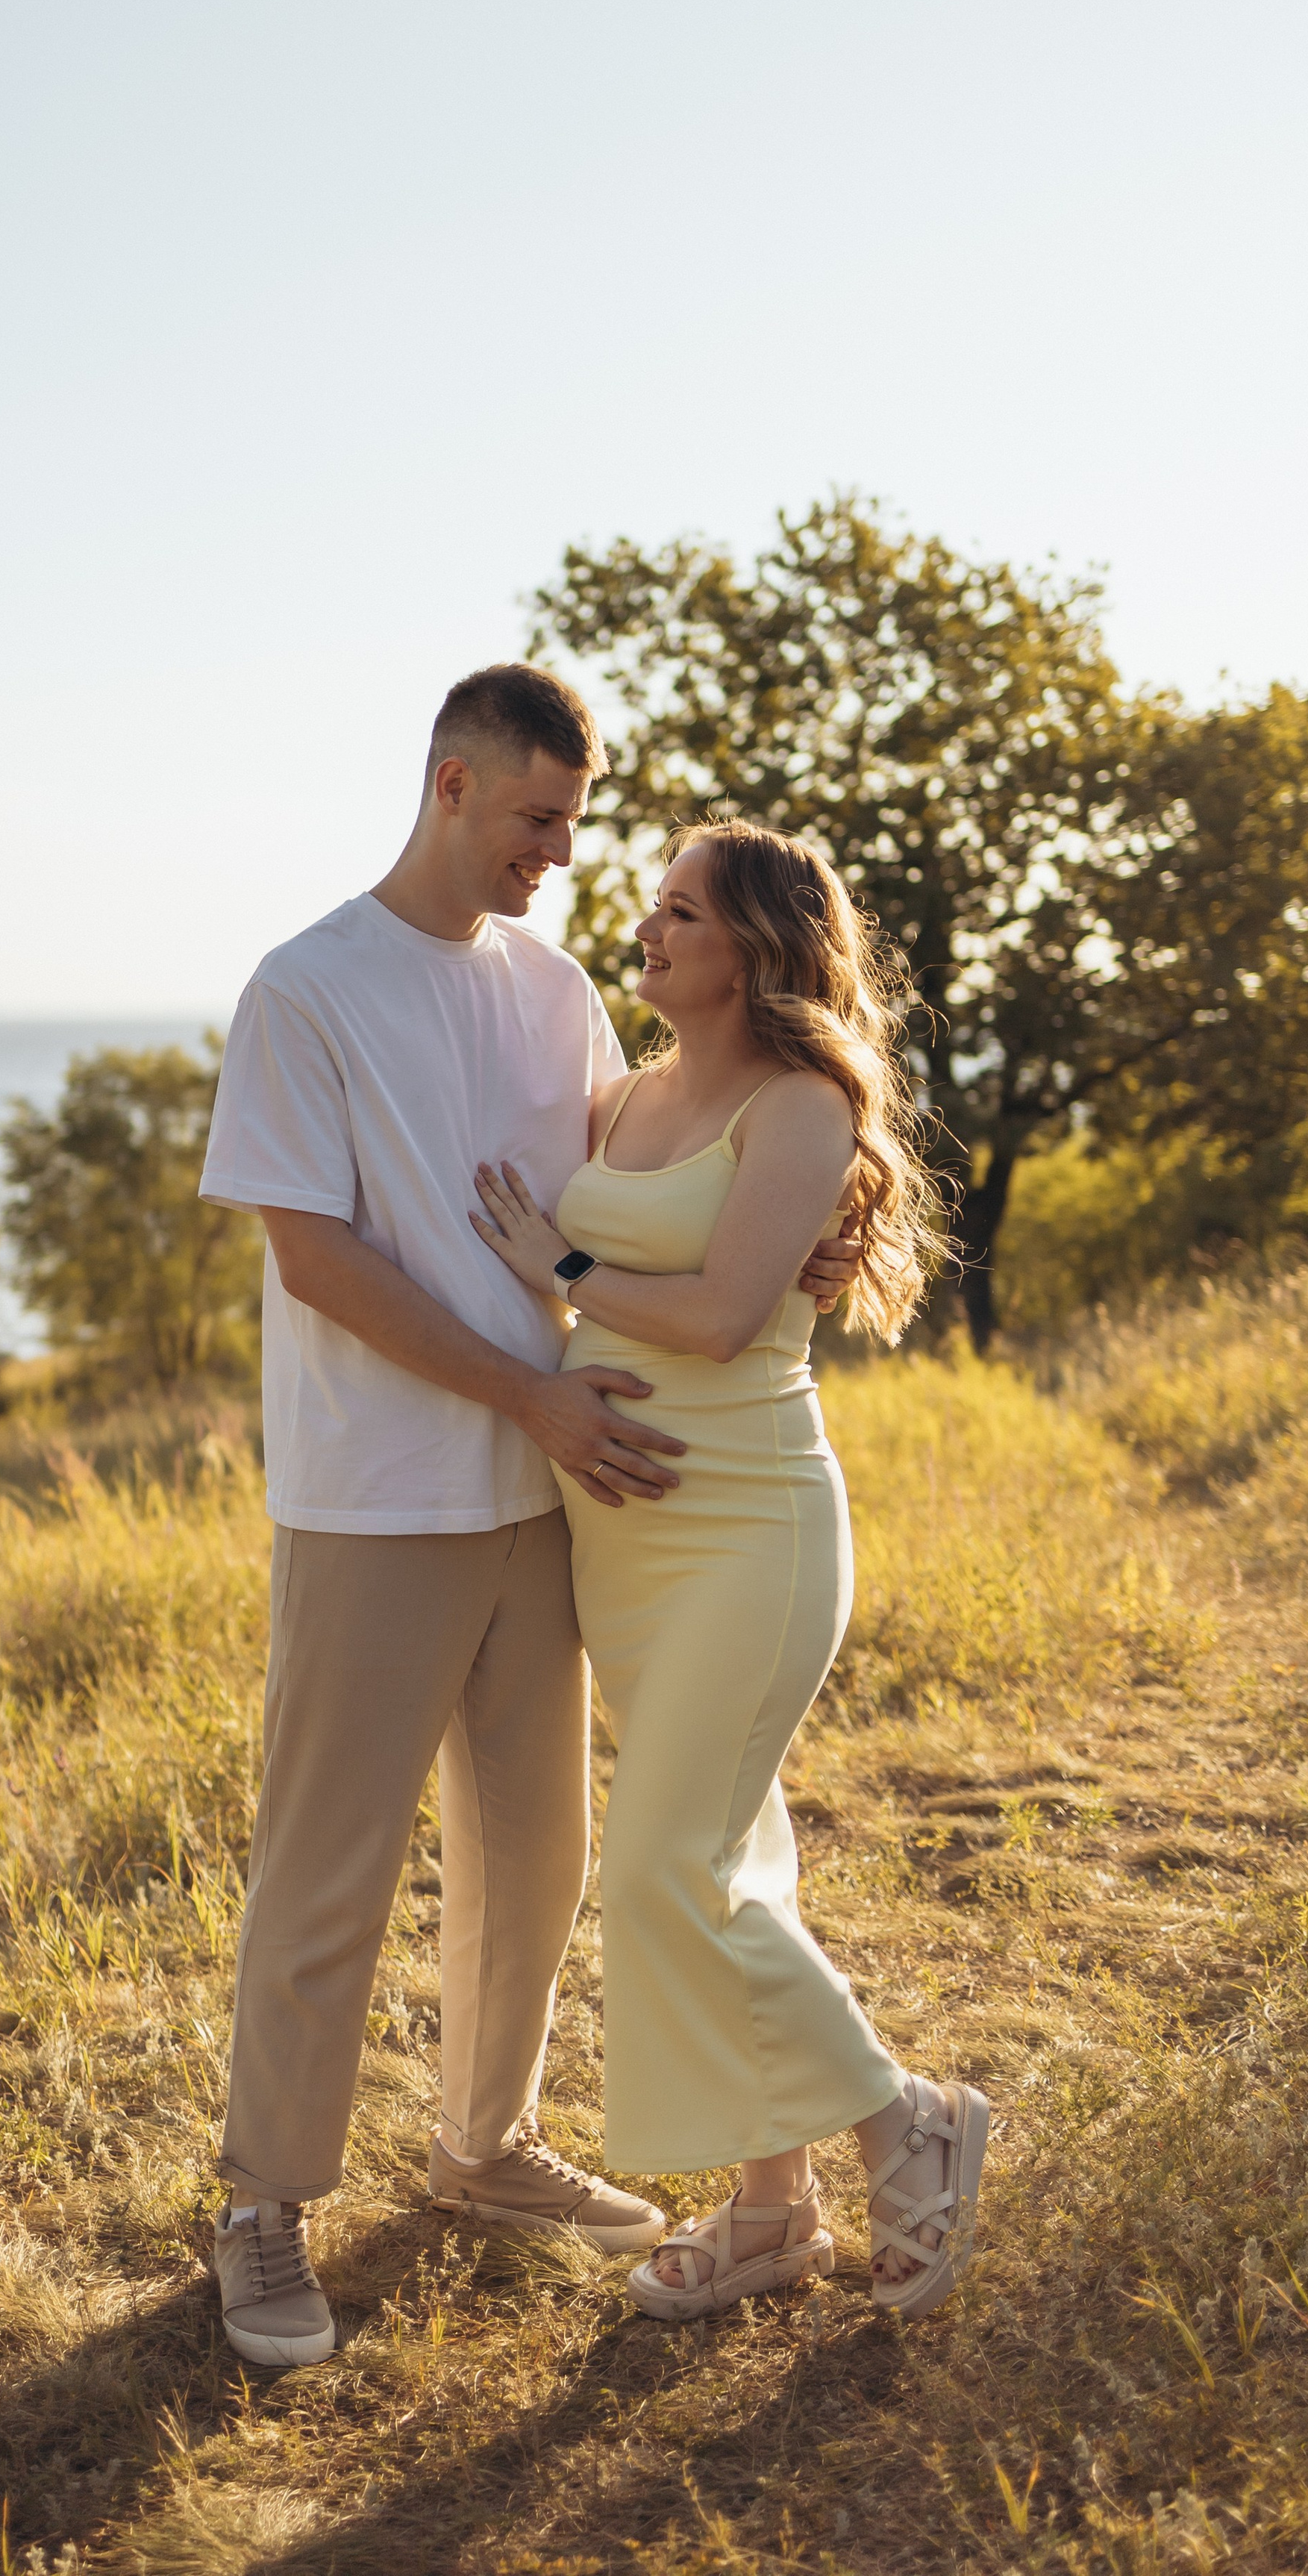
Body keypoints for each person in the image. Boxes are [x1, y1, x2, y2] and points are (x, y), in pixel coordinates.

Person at [196, 669, 863, 2366]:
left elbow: (638, 1194)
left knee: (538, 1857)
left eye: (577, 824)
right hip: (380, 1499)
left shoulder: (558, 992)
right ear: (448, 785)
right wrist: (533, 1392)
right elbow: (315, 1256)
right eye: (535, 821)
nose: (560, 855)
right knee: (329, 1871)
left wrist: (804, 1232)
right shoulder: (308, 990)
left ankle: (482, 2149)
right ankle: (263, 2210)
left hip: (555, 1498)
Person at [471, 818, 989, 2324]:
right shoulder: (619, 1098)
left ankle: (907, 2121)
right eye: (652, 904)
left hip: (745, 1528)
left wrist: (550, 1272)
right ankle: (770, 2212)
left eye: (681, 911)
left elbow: (708, 1315)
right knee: (726, 1859)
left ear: (755, 948)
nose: (647, 928)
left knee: (658, 1873)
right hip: (620, 1536)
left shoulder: (801, 1105)